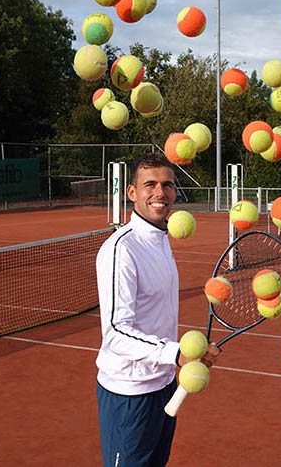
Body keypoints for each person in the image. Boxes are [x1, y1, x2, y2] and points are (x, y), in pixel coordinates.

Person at [95, 153, 219, 467]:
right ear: (132, 193)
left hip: (163, 384)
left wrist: (187, 353)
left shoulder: (161, 239)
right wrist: (177, 354)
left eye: (167, 185)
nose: (159, 193)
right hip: (129, 393)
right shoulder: (121, 249)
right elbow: (115, 332)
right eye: (149, 184)